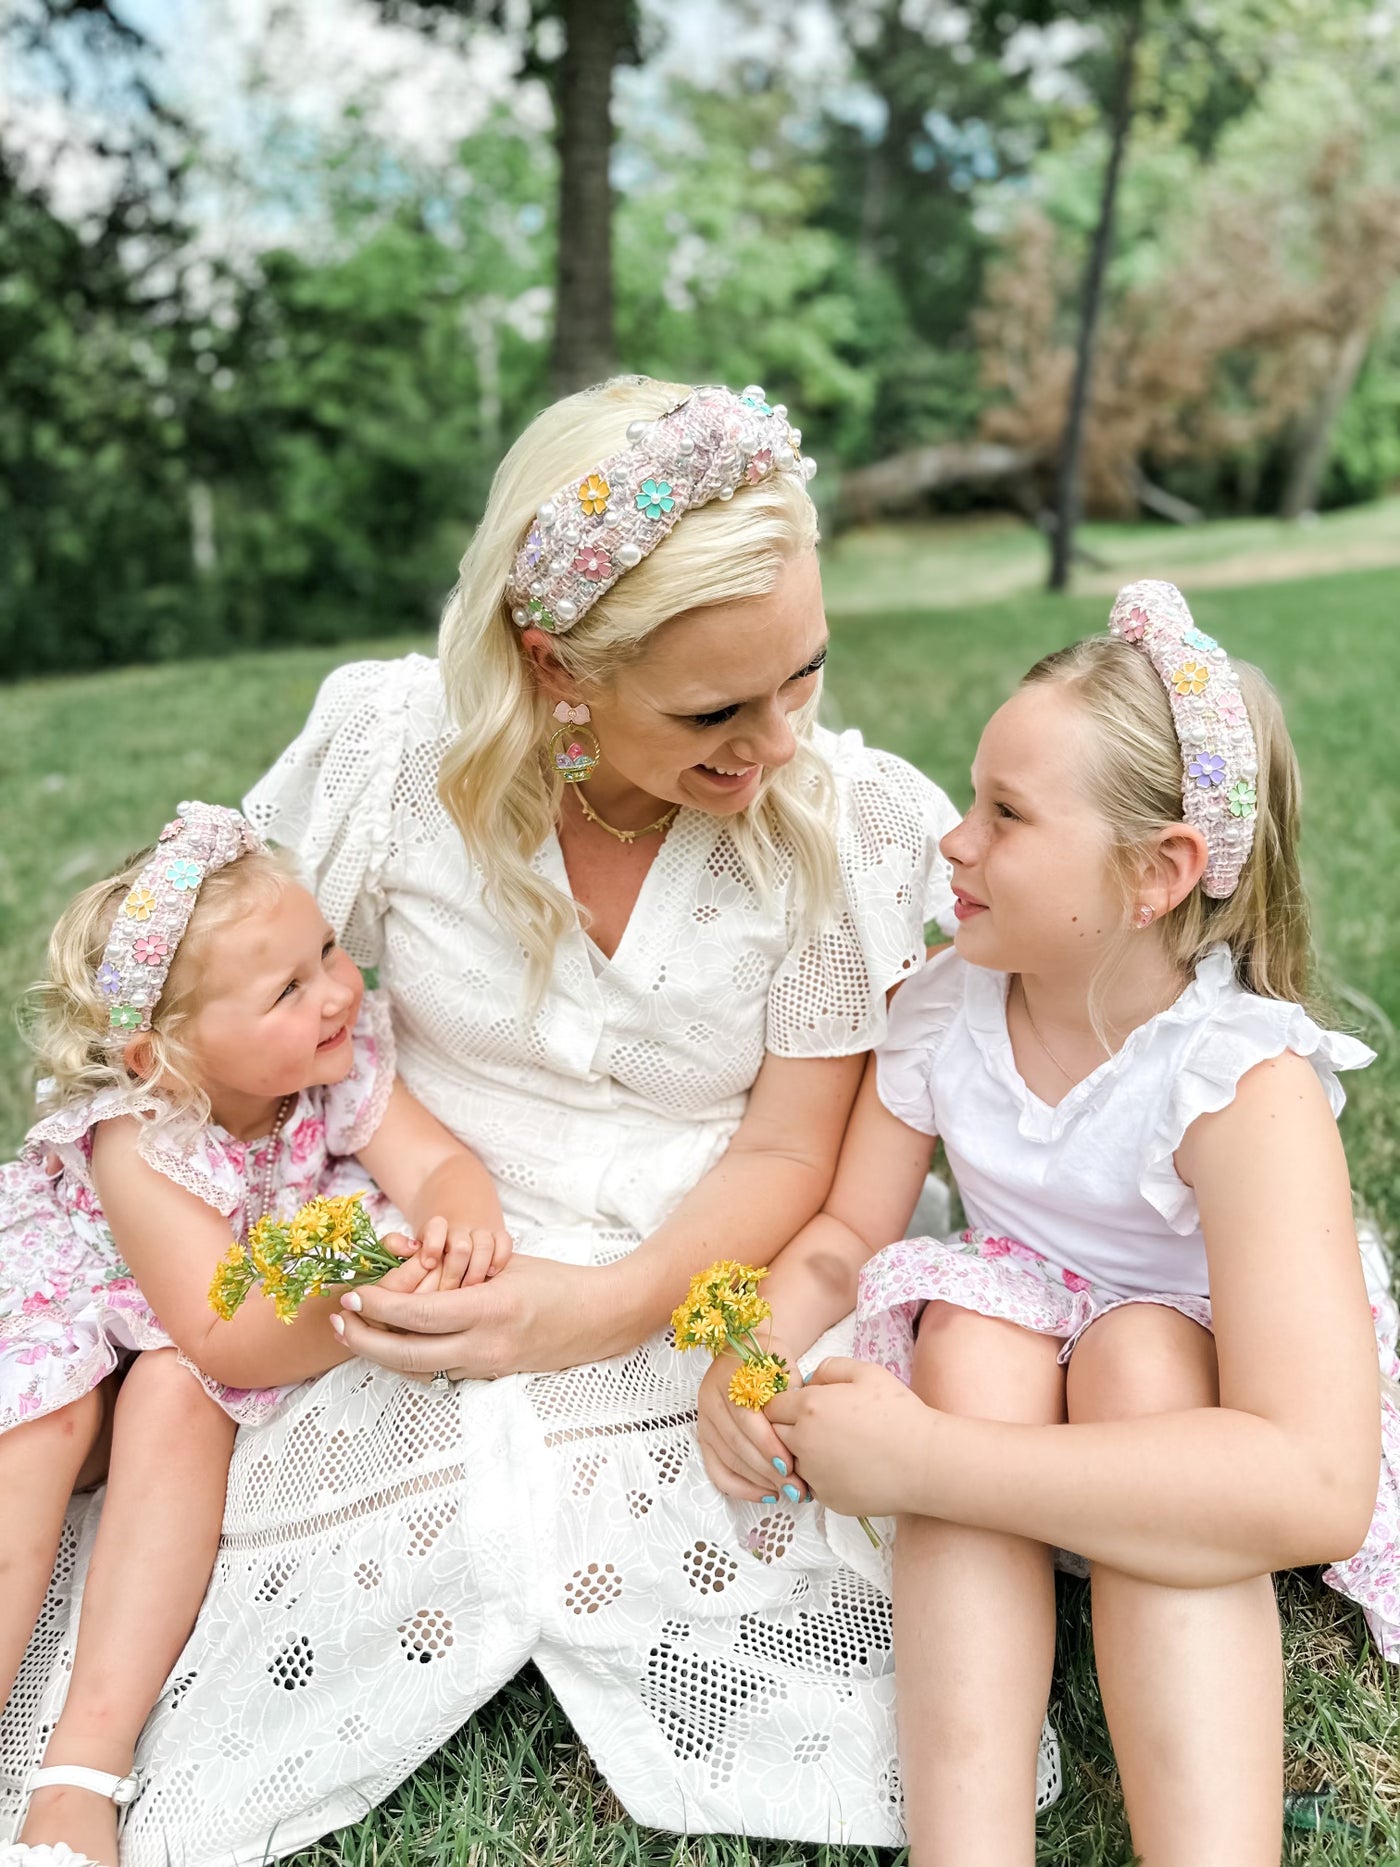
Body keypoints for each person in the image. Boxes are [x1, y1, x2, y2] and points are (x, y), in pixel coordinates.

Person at [2, 377, 1024, 1862]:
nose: (779, 742)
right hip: (408, 1228)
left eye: (804, 673)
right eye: (713, 709)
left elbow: (792, 1155)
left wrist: (599, 1306)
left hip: (689, 1257)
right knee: (181, 1430)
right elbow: (233, 995)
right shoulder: (388, 752)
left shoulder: (833, 828)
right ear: (556, 666)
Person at [700, 580, 1395, 1867]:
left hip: (1174, 1426)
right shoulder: (946, 1004)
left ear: (1157, 873)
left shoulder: (1237, 1086)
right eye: (972, 798)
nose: (952, 843)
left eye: (1004, 814)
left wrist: (922, 1464)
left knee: (1133, 1348)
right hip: (1010, 1384)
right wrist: (749, 1346)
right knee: (969, 1321)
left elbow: (1314, 1486)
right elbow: (848, 1237)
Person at [0, 803, 509, 1867]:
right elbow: (231, 1329)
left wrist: (460, 1214)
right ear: (163, 1056)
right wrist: (356, 1305)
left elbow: (437, 1165)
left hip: (189, 1336)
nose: (336, 990)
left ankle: (83, 1766)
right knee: (40, 1424)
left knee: (176, 1393)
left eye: (327, 949)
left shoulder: (341, 1064)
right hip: (86, 1311)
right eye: (289, 988)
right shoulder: (144, 1140)